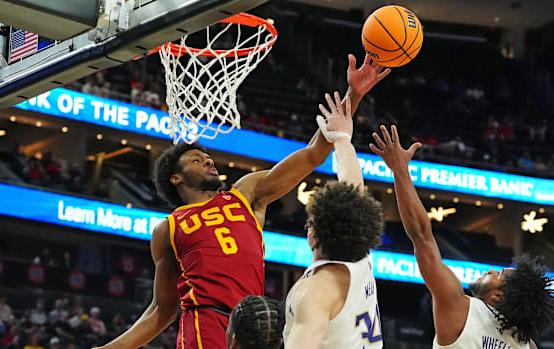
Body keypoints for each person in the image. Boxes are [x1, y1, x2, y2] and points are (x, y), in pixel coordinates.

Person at [94, 54, 390, 349]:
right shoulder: (167, 230)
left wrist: (355, 94)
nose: (209, 161)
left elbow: (313, 154)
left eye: (208, 157)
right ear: (176, 178)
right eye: (197, 160)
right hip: (205, 325)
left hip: (255, 329)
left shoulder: (245, 194)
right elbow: (162, 310)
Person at [370, 124, 554, 349]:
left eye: (497, 274)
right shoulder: (527, 345)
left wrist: (400, 170)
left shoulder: (459, 308)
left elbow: (421, 235)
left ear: (498, 297)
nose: (490, 270)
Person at [283, 93, 384, 348]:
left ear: (313, 235)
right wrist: (341, 140)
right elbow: (353, 189)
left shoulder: (316, 291)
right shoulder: (362, 260)